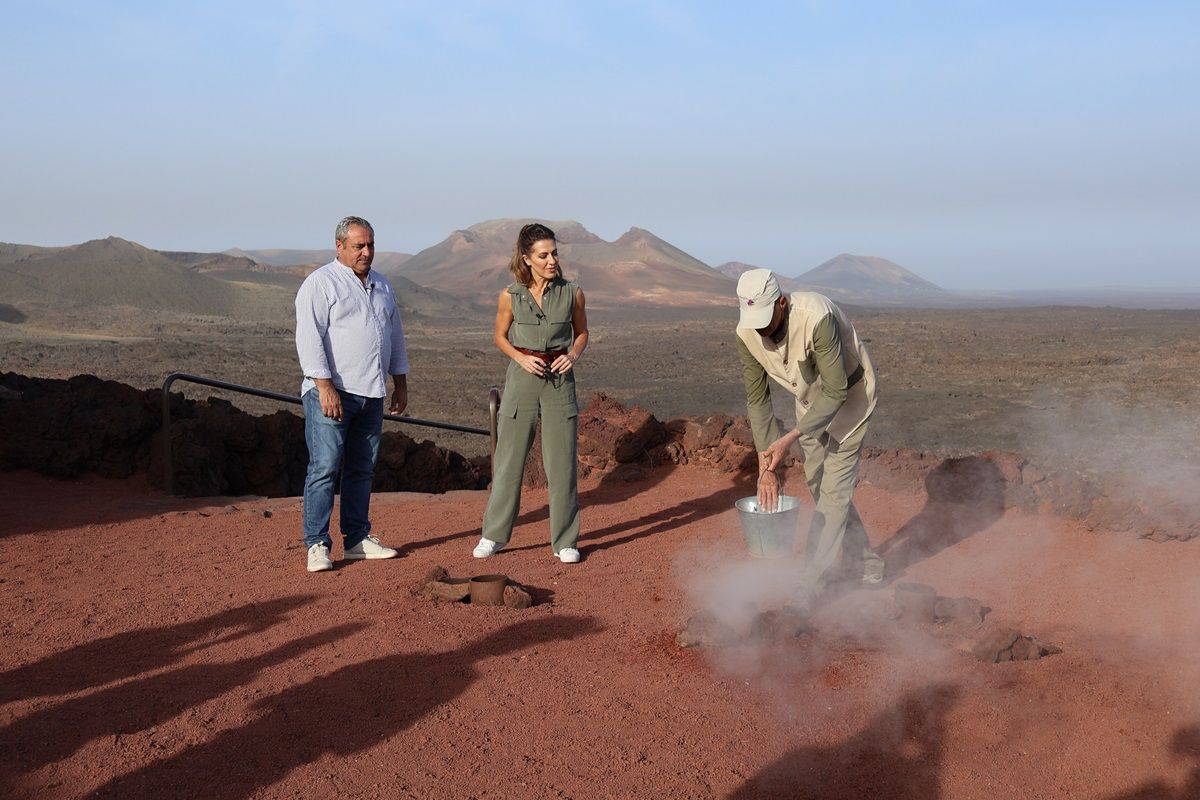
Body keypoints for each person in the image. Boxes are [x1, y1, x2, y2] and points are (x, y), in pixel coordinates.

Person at [735, 268, 884, 606]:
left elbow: (835, 390)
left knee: (833, 492)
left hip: (851, 402)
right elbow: (758, 400)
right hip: (809, 407)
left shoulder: (817, 316)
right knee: (820, 487)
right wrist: (766, 468)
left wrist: (789, 440)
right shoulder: (746, 333)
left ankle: (808, 585)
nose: (760, 328)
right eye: (753, 319)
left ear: (782, 304)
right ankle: (869, 564)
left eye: (766, 318)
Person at [295, 216, 408, 573]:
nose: (367, 252)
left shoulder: (382, 284)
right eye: (359, 245)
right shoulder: (321, 283)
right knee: (325, 468)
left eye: (370, 244)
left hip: (371, 393)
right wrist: (324, 387)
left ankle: (357, 539)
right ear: (339, 246)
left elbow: (395, 334)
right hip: (332, 393)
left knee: (361, 469)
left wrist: (400, 382)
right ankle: (316, 544)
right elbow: (309, 338)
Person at [473, 223, 589, 563]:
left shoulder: (573, 292)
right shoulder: (510, 295)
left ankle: (565, 541)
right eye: (544, 255)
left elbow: (582, 333)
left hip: (559, 382)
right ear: (526, 259)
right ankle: (492, 535)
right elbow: (499, 336)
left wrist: (573, 356)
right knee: (508, 461)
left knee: (561, 464)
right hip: (522, 379)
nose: (552, 260)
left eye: (554, 253)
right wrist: (521, 358)